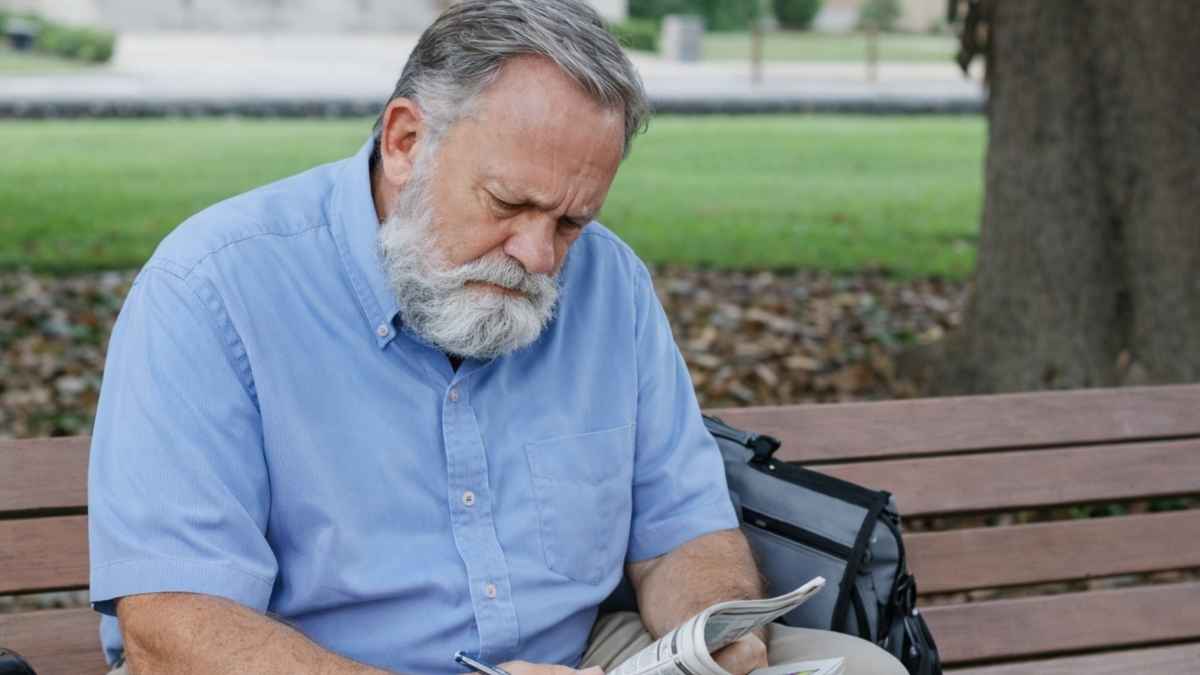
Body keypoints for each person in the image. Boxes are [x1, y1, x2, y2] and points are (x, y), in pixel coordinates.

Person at [87, 1, 906, 674]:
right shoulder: (212, 288)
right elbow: (173, 623)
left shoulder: (610, 284)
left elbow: (681, 534)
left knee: (860, 670)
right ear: (406, 142)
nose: (539, 256)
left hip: (578, 657)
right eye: (510, 204)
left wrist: (715, 630)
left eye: (572, 221)